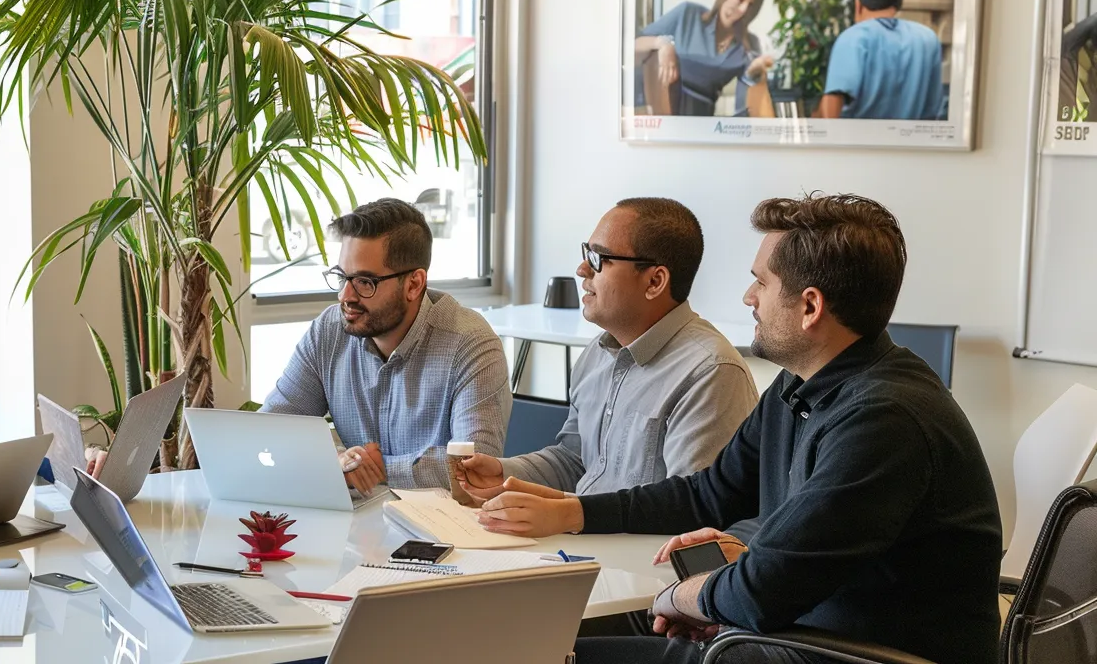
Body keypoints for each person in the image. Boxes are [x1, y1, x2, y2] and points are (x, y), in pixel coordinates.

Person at [474, 194, 1002, 664]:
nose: (748, 297)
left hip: (847, 649)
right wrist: (574, 513)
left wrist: (686, 596)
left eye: (761, 282)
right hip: (803, 627)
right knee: (541, 644)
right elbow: (709, 494)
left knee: (543, 653)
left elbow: (761, 592)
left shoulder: (884, 419)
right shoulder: (802, 385)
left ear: (810, 307)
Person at [452, 198, 757, 502]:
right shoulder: (597, 354)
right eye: (587, 253)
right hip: (580, 541)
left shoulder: (711, 373)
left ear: (655, 281)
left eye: (599, 258)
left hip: (635, 548)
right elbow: (576, 462)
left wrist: (573, 517)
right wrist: (504, 473)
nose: (582, 269)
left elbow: (690, 510)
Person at [263, 197, 510, 491]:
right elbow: (271, 430)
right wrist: (336, 460)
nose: (345, 296)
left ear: (414, 284)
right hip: (358, 523)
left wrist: (373, 471)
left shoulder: (470, 344)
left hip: (442, 529)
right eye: (342, 277)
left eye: (365, 282)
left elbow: (474, 469)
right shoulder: (328, 332)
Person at [635, 0, 774, 116]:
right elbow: (634, 46)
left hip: (700, 119)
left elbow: (747, 105)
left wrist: (753, 73)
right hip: (659, 107)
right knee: (655, 56)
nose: (743, 10)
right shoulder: (687, 14)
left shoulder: (748, 46)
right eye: (740, 0)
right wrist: (663, 44)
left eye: (750, 6)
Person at [817, 0, 946, 120]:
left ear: (858, 4)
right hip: (910, 139)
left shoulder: (853, 38)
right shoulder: (927, 39)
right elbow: (932, 110)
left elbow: (833, 100)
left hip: (857, 138)